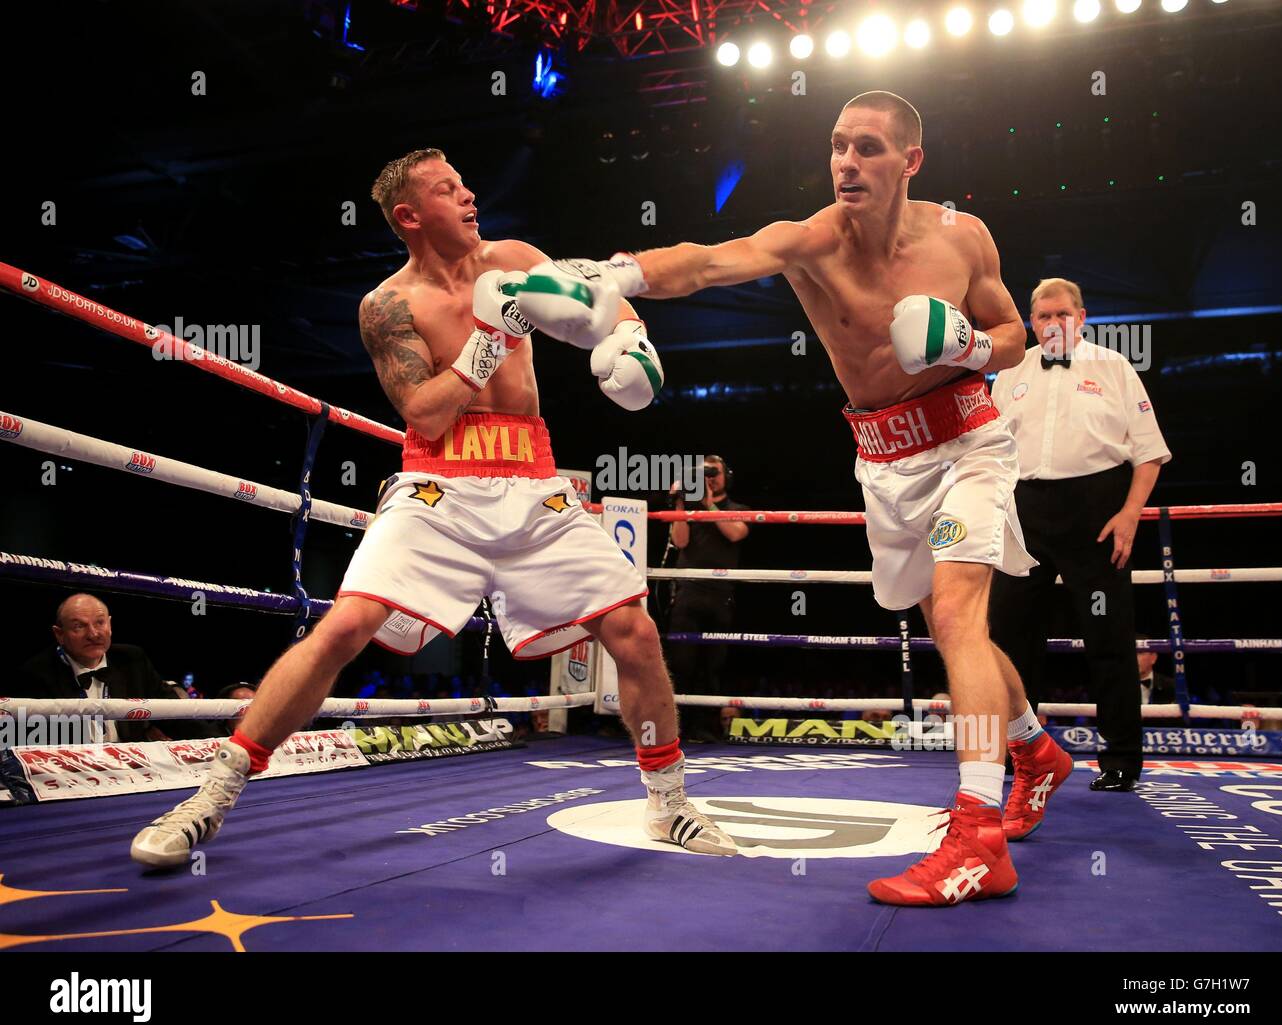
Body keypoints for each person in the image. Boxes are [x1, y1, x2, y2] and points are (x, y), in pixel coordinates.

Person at [515, 90, 1075, 906]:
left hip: (970, 442)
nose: (847, 161)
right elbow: (709, 259)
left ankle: (977, 836)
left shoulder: (963, 236)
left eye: (869, 148)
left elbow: (1017, 335)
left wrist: (973, 345)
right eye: (839, 145)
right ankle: (1035, 753)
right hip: (885, 462)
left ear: (911, 162)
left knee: (957, 617)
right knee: (950, 628)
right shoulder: (811, 240)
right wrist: (615, 273)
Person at [130, 147, 735, 868]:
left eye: (465, 182)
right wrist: (493, 337)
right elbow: (425, 412)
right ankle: (211, 795)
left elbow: (604, 294)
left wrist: (632, 341)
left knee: (632, 631)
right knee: (345, 624)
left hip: (533, 480)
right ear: (410, 215)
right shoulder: (387, 305)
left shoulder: (513, 255)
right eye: (449, 190)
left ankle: (669, 805)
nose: (470, 195)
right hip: (437, 484)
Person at [988, 278, 1171, 794]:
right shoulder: (1011, 371)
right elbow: (990, 453)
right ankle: (1016, 753)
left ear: (1082, 316)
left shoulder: (1113, 367)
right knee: (1011, 639)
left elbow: (1149, 452)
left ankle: (1120, 761)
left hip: (1097, 511)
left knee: (1109, 639)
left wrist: (1131, 512)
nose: (1053, 324)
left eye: (1062, 314)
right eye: (1043, 316)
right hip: (1023, 511)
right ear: (1031, 321)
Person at [12, 593, 173, 744]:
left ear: (110, 625)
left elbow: (177, 715)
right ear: (59, 634)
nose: (94, 634)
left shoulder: (133, 659)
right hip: (71, 768)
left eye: (100, 622)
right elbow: (24, 740)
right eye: (79, 626)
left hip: (131, 766)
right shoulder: (35, 674)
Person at [667, 454, 749, 739]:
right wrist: (679, 502)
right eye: (704, 473)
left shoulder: (736, 508)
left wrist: (707, 502)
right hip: (689, 593)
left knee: (713, 666)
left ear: (727, 475)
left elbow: (736, 533)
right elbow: (680, 541)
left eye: (714, 472)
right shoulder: (687, 509)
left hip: (720, 596)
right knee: (681, 663)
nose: (709, 477)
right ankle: (679, 728)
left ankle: (708, 728)